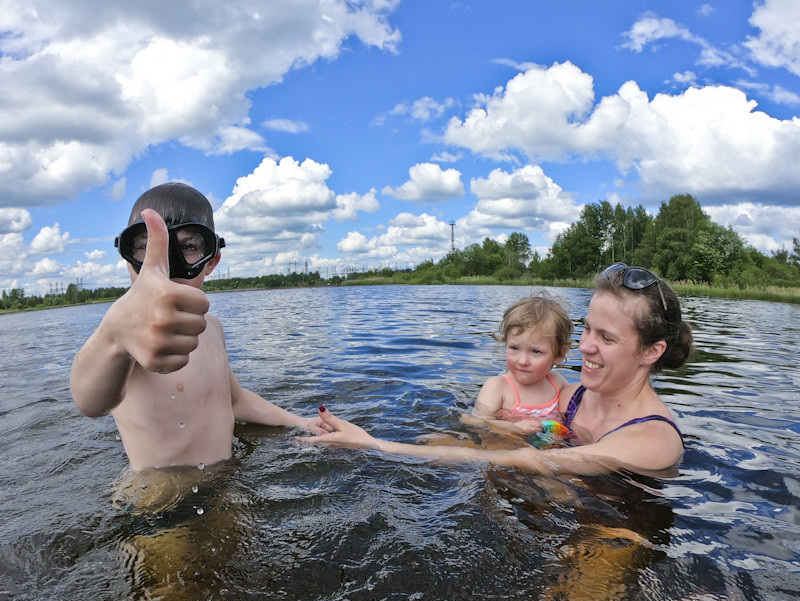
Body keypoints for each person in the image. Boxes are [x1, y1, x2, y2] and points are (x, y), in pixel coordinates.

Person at [302, 263, 693, 474]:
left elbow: (530, 460)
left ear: (651, 351)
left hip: (611, 540)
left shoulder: (652, 440)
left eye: (606, 338)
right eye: (587, 328)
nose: (586, 346)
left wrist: (374, 445)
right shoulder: (572, 397)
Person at [71, 182, 329, 471]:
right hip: (160, 501)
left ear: (211, 261)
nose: (165, 264)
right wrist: (114, 335)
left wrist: (301, 422)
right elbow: (90, 403)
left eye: (188, 247)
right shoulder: (130, 335)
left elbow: (235, 400)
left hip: (225, 484)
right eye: (144, 246)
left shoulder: (212, 328)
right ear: (127, 257)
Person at [469, 292, 572, 442]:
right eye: (514, 348)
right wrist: (514, 427)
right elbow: (473, 422)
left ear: (559, 354)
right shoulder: (498, 387)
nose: (523, 361)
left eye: (536, 351)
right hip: (504, 451)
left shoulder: (558, 383)